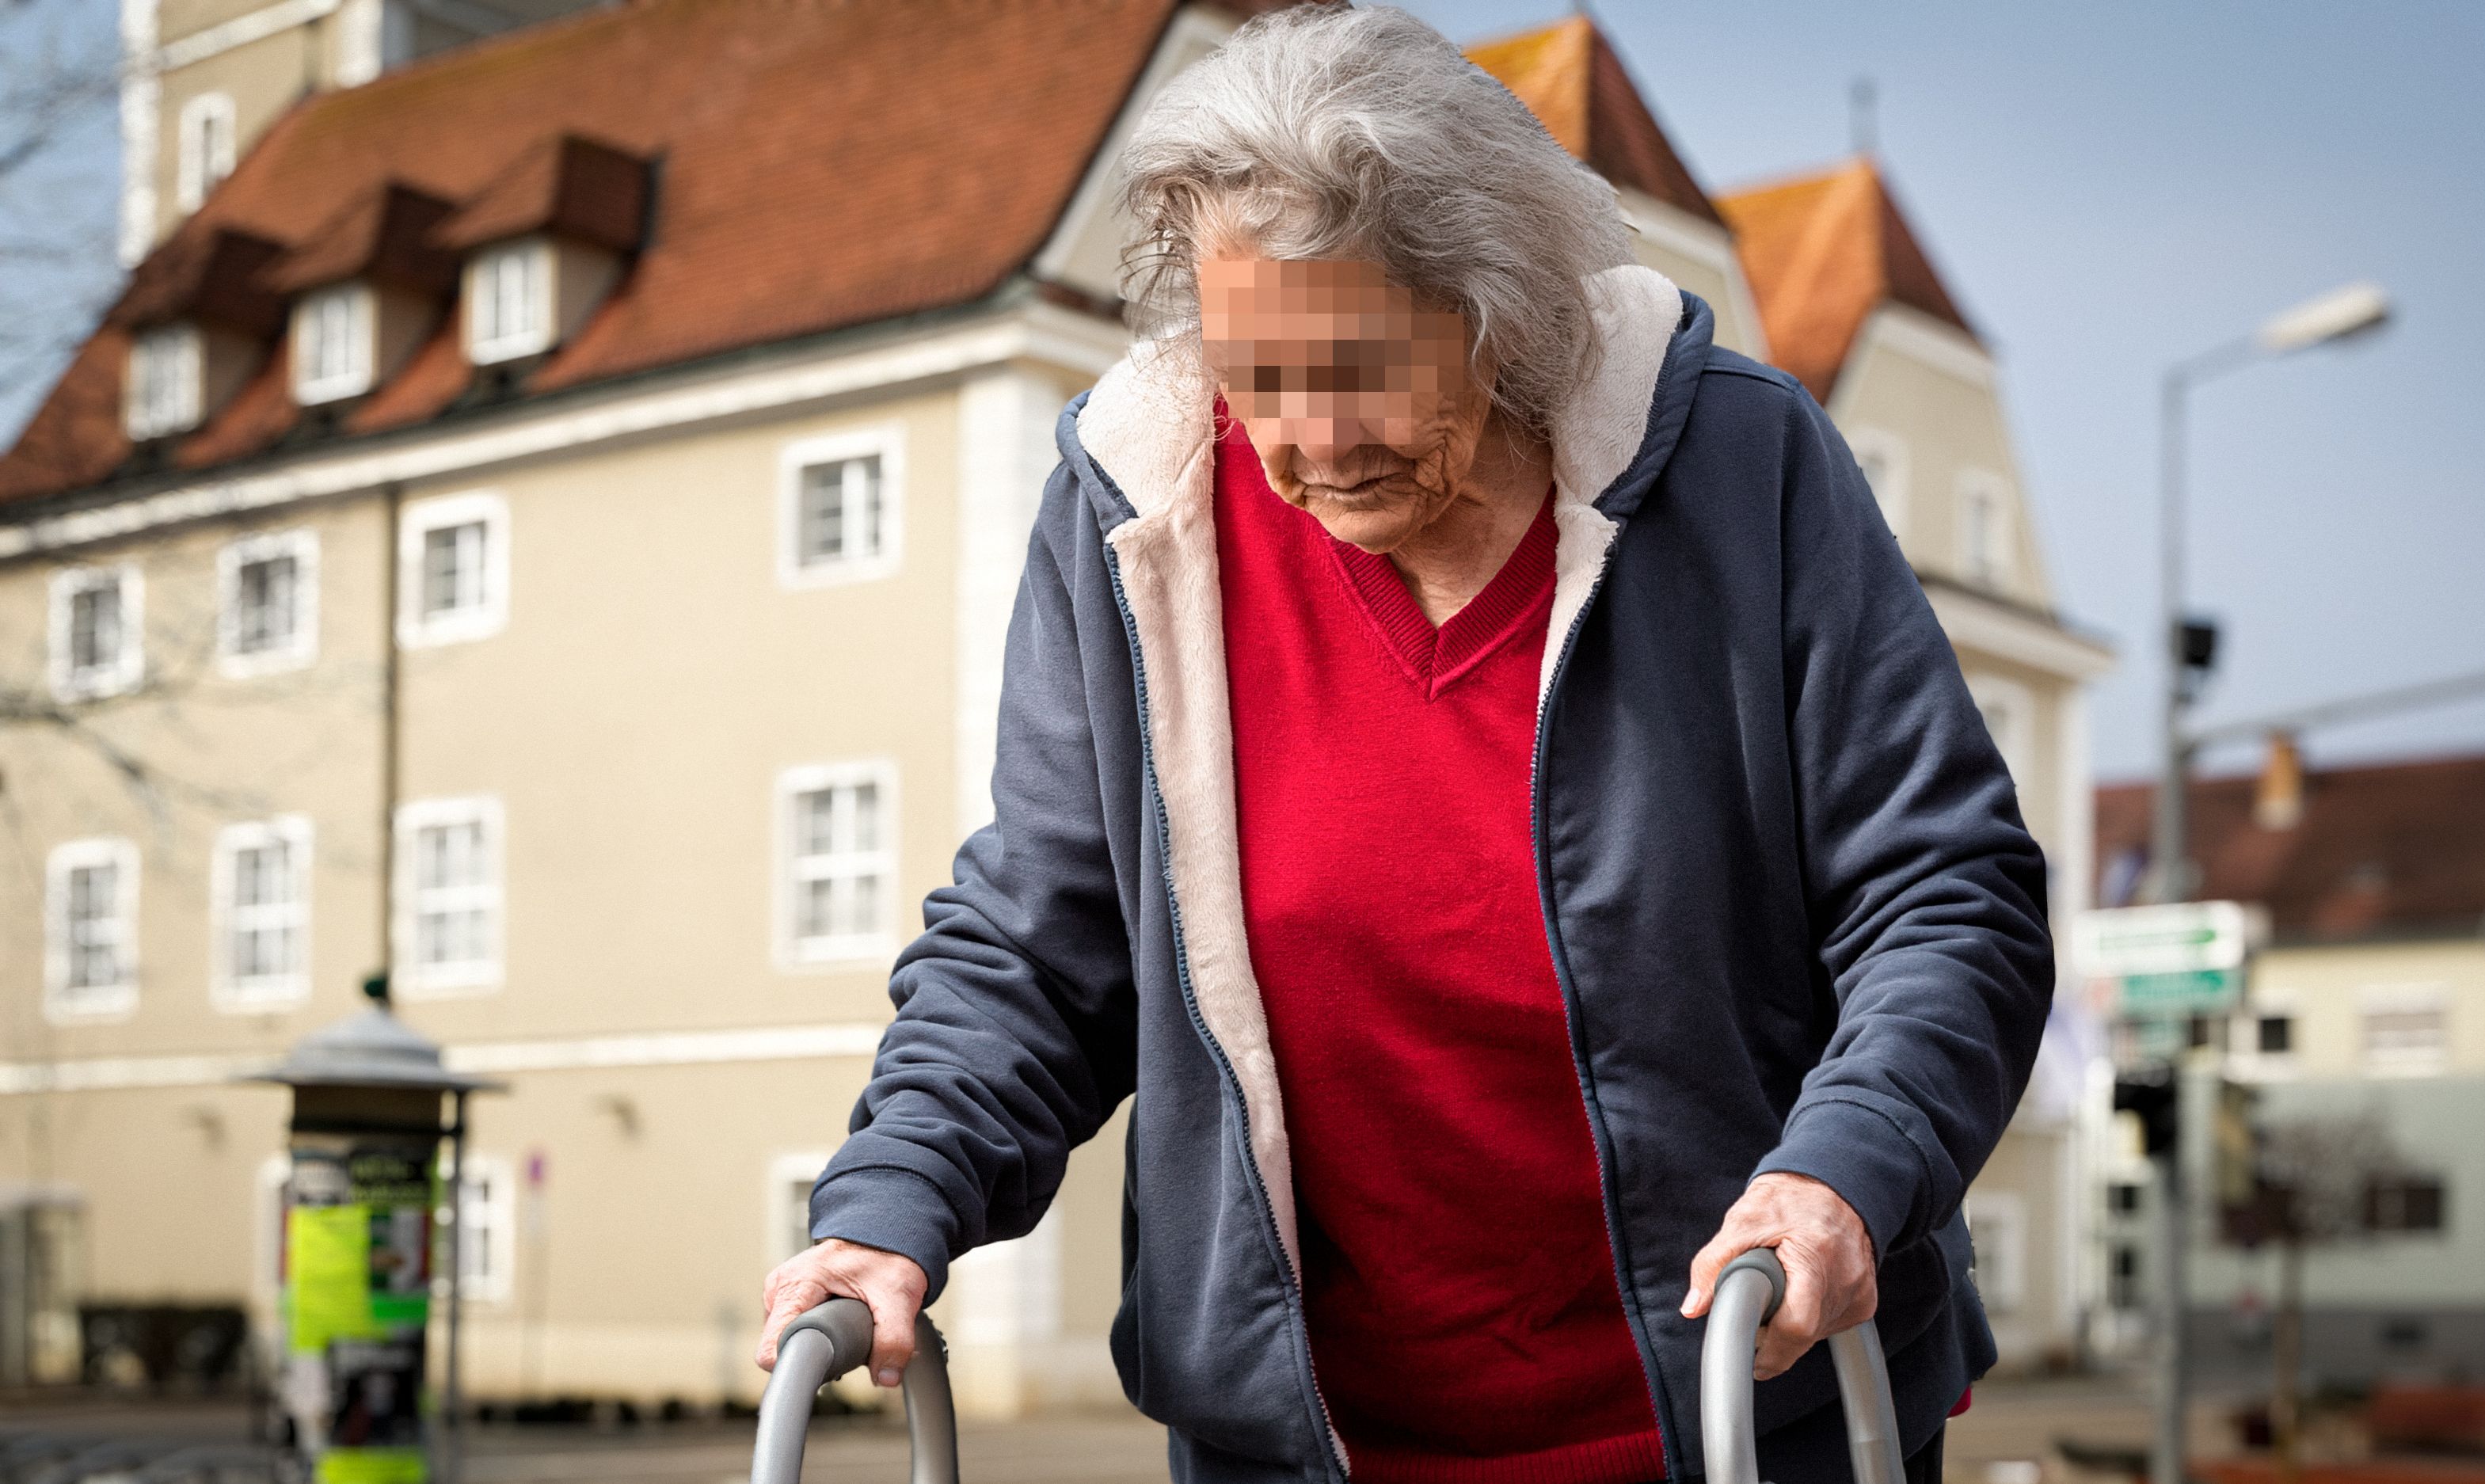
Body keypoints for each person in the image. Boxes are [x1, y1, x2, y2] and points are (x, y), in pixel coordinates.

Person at [757, 7, 2053, 1482]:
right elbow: (1041, 939)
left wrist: (1846, 1169)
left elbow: (1946, 892)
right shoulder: (1136, 523)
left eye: (1361, 365)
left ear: (1502, 312)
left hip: (1741, 1405)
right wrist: (891, 1195)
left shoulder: (1742, 472)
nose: (1313, 442)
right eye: (1261, 380)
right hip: (1314, 1443)